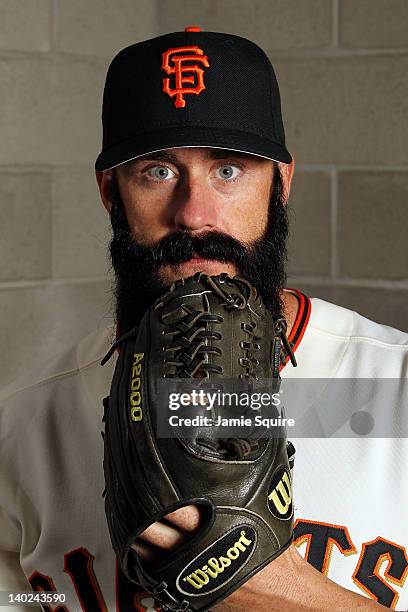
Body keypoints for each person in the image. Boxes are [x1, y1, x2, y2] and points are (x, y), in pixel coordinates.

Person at [0, 26, 407, 612]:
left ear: (281, 185)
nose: (194, 215)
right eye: (157, 172)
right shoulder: (24, 429)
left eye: (229, 170)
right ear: (110, 192)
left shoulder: (398, 389)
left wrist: (262, 583)